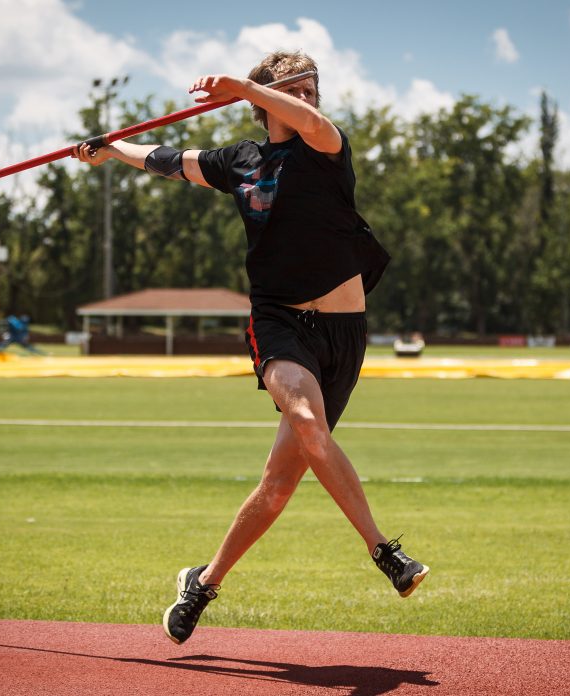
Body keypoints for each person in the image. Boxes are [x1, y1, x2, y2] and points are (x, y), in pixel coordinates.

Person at [74, 50, 429, 645]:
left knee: (277, 486)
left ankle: (202, 583)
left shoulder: (325, 146)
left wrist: (245, 86)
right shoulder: (240, 160)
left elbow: (309, 120)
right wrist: (110, 148)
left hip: (344, 335)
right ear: (263, 103)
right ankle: (386, 553)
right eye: (297, 89)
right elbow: (166, 159)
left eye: (313, 88)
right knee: (309, 423)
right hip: (279, 322)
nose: (310, 99)